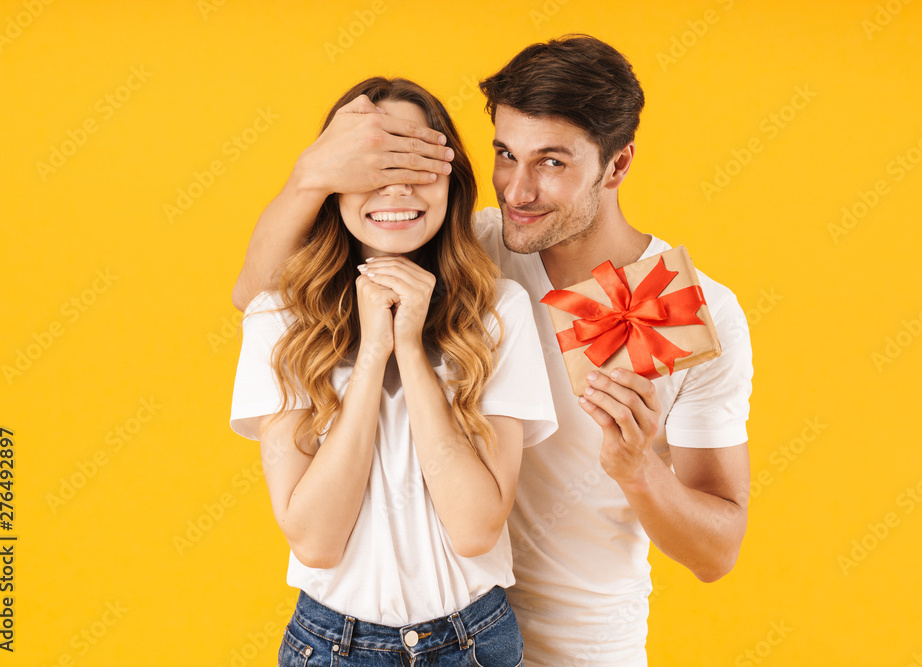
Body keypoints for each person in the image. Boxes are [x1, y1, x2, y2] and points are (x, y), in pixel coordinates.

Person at [231, 36, 753, 666]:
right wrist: (311, 174)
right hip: (443, 620)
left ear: (617, 166)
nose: (518, 190)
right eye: (507, 155)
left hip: (585, 644)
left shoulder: (687, 308)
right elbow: (266, 299)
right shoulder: (475, 251)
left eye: (553, 163)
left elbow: (717, 552)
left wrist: (639, 471)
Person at [229, 76, 556, 666]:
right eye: (373, 167)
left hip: (474, 643)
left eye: (417, 163)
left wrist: (409, 345)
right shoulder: (279, 319)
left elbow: (476, 528)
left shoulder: (498, 309)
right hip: (332, 647)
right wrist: (373, 349)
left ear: (451, 183)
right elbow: (315, 540)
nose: (396, 187)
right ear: (335, 185)